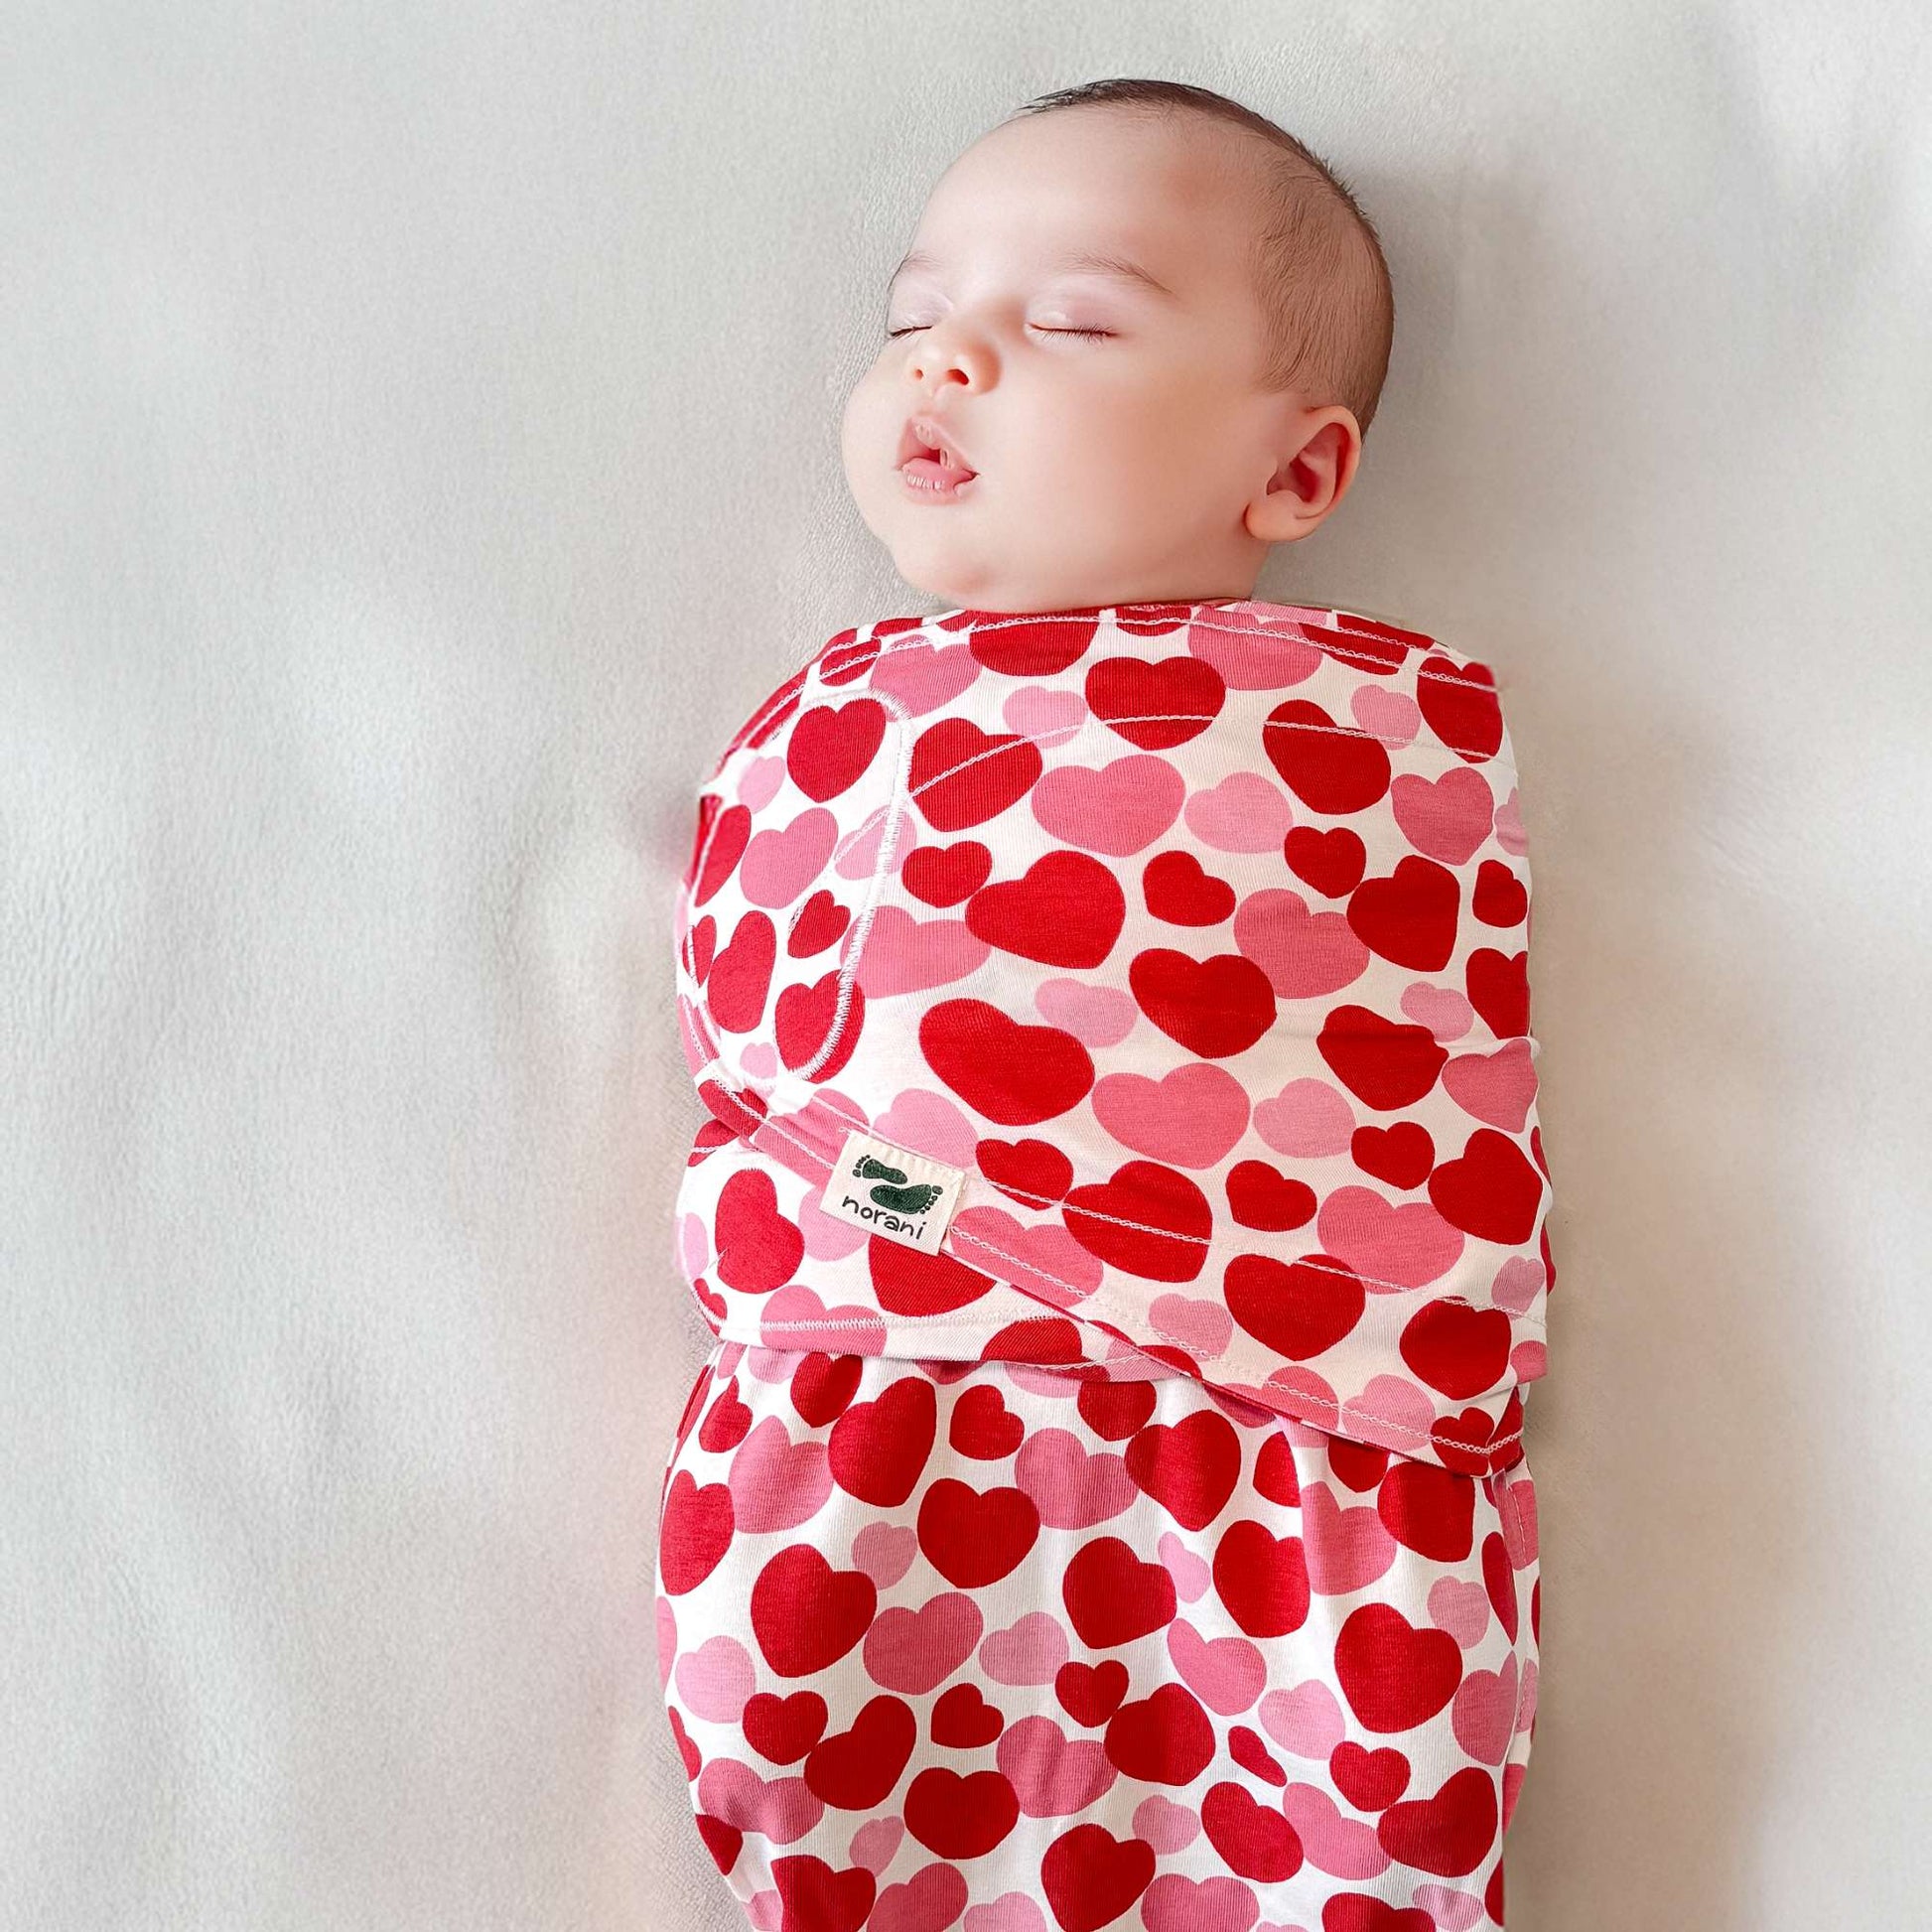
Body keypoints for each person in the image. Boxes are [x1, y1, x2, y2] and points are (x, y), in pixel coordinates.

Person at [654, 76, 1550, 1932]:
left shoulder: (1363, 743)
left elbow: (1412, 1047)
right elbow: (743, 1045)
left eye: (1066, 319)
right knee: (816, 1751)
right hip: (877, 1373)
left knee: (1344, 1808)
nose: (951, 357)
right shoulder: (840, 716)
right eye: (915, 318)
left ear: (1293, 473)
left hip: (1302, 1415)